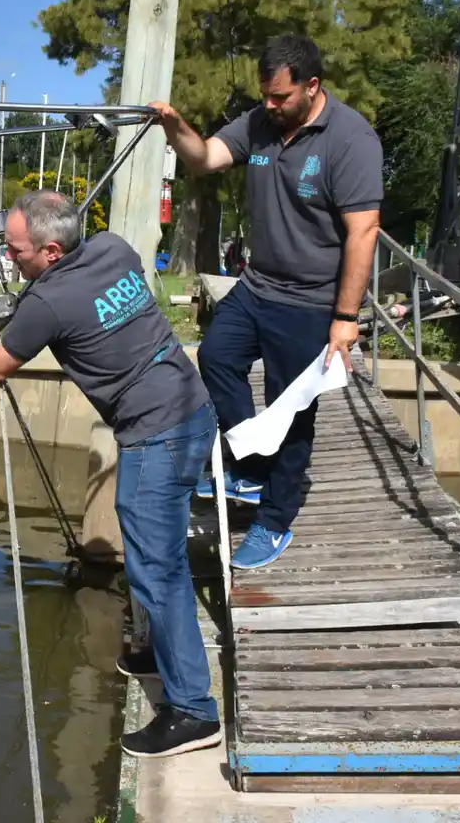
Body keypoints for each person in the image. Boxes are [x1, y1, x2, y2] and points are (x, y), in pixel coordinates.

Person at [0, 190, 223, 760]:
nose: (8, 257)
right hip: (192, 409)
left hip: (155, 432)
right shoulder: (113, 248)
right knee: (157, 552)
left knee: (156, 569)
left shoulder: (47, 302)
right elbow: (85, 307)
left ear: (51, 251)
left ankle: (194, 712)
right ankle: (160, 652)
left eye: (16, 249)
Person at [151, 33, 382, 570]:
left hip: (312, 301)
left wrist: (345, 320)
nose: (270, 106)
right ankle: (252, 467)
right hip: (257, 286)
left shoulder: (350, 139)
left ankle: (276, 521)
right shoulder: (259, 123)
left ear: (312, 85)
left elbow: (364, 232)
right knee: (215, 358)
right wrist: (174, 126)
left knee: (292, 411)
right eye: (266, 96)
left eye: (281, 97)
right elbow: (206, 157)